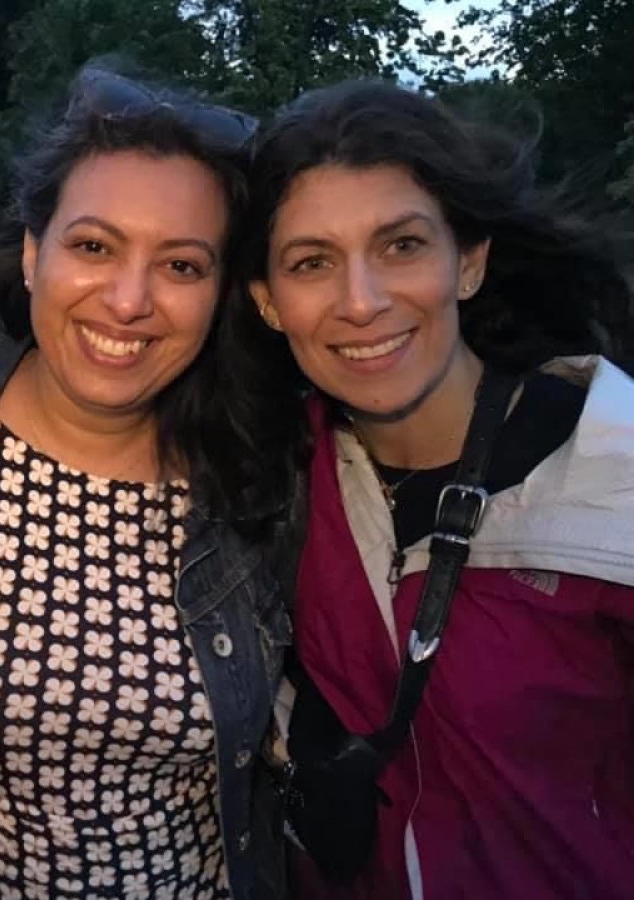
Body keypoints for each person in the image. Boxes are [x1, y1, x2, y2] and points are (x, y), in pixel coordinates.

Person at [0, 65, 306, 900]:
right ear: (35, 253)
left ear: (219, 293)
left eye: (181, 266)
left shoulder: (262, 478)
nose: (128, 300)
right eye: (94, 247)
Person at [243, 80, 634, 899]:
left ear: (470, 260)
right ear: (269, 304)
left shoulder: (613, 472)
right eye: (312, 263)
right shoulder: (268, 474)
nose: (361, 301)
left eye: (402, 246)